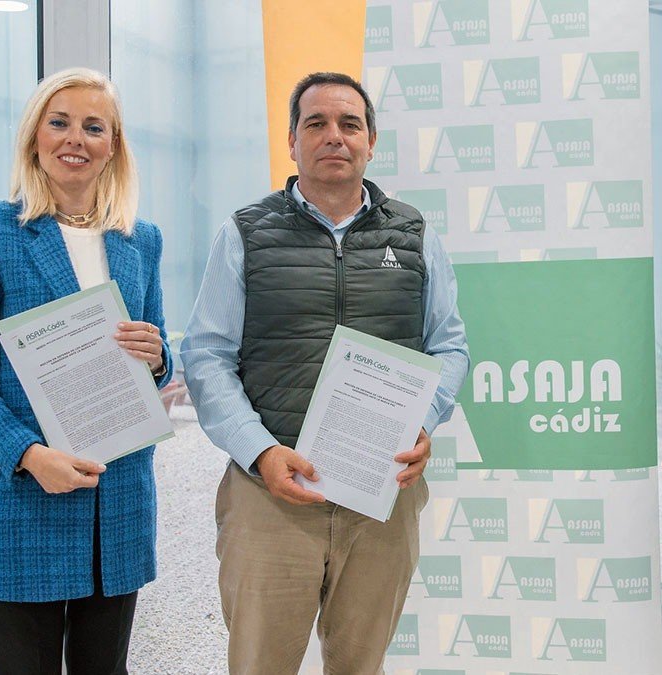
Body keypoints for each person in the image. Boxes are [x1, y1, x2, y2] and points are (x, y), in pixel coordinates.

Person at [181, 71, 469, 674]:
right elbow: (207, 356)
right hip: (270, 496)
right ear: (292, 141)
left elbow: (448, 346)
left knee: (361, 667)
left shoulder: (415, 235)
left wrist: (420, 422)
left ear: (371, 142)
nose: (334, 135)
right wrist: (260, 451)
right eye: (316, 123)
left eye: (349, 124)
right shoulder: (244, 234)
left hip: (380, 496)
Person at [0, 67, 171, 675]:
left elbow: (156, 357)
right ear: (34, 136)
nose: (76, 139)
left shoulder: (140, 239)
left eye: (94, 127)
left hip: (117, 503)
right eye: (59, 122)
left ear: (113, 145)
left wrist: (157, 357)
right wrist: (27, 455)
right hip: (24, 496)